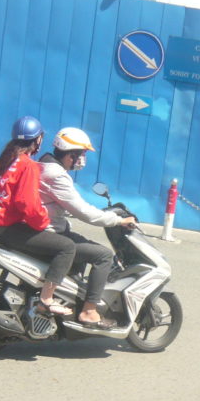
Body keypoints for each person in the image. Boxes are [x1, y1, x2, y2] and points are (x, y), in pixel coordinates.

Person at [0, 116, 76, 317]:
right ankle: (46, 300)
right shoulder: (27, 165)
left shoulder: (6, 160)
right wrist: (43, 223)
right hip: (5, 227)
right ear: (38, 140)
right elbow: (27, 202)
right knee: (66, 247)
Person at [37, 127, 136, 329]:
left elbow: (62, 204)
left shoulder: (44, 165)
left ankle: (68, 298)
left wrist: (94, 212)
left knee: (81, 244)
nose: (83, 158)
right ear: (70, 152)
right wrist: (118, 221)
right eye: (81, 153)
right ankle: (89, 312)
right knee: (104, 255)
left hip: (45, 227)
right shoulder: (56, 175)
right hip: (48, 232)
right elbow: (85, 213)